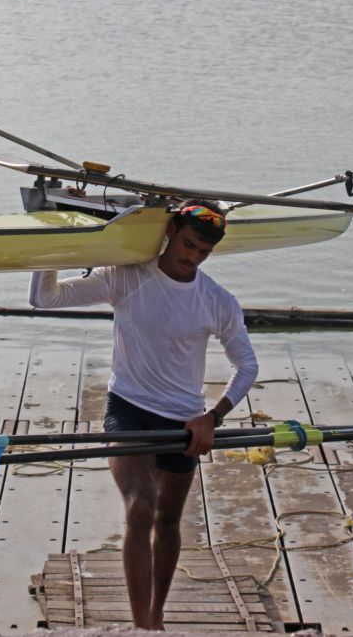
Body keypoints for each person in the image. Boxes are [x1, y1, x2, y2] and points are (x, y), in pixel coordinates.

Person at [29, 199, 258, 630]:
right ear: (170, 231)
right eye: (189, 244)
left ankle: (157, 614)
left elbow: (246, 365)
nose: (192, 257)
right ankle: (142, 627)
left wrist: (214, 416)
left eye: (203, 253)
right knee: (139, 508)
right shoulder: (125, 275)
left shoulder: (217, 300)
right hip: (129, 408)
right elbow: (45, 298)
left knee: (168, 521)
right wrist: (52, 248)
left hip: (185, 420)